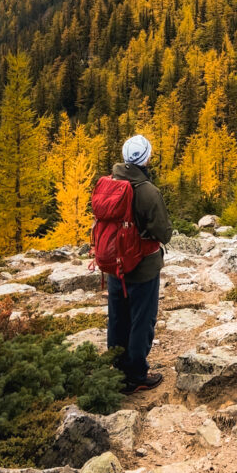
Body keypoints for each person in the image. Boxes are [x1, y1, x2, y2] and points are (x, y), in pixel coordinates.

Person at [106, 134, 172, 393]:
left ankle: (117, 370)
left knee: (118, 317)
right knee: (142, 320)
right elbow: (163, 232)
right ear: (145, 159)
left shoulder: (110, 184)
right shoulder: (147, 191)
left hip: (114, 265)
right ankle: (136, 375)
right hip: (142, 266)